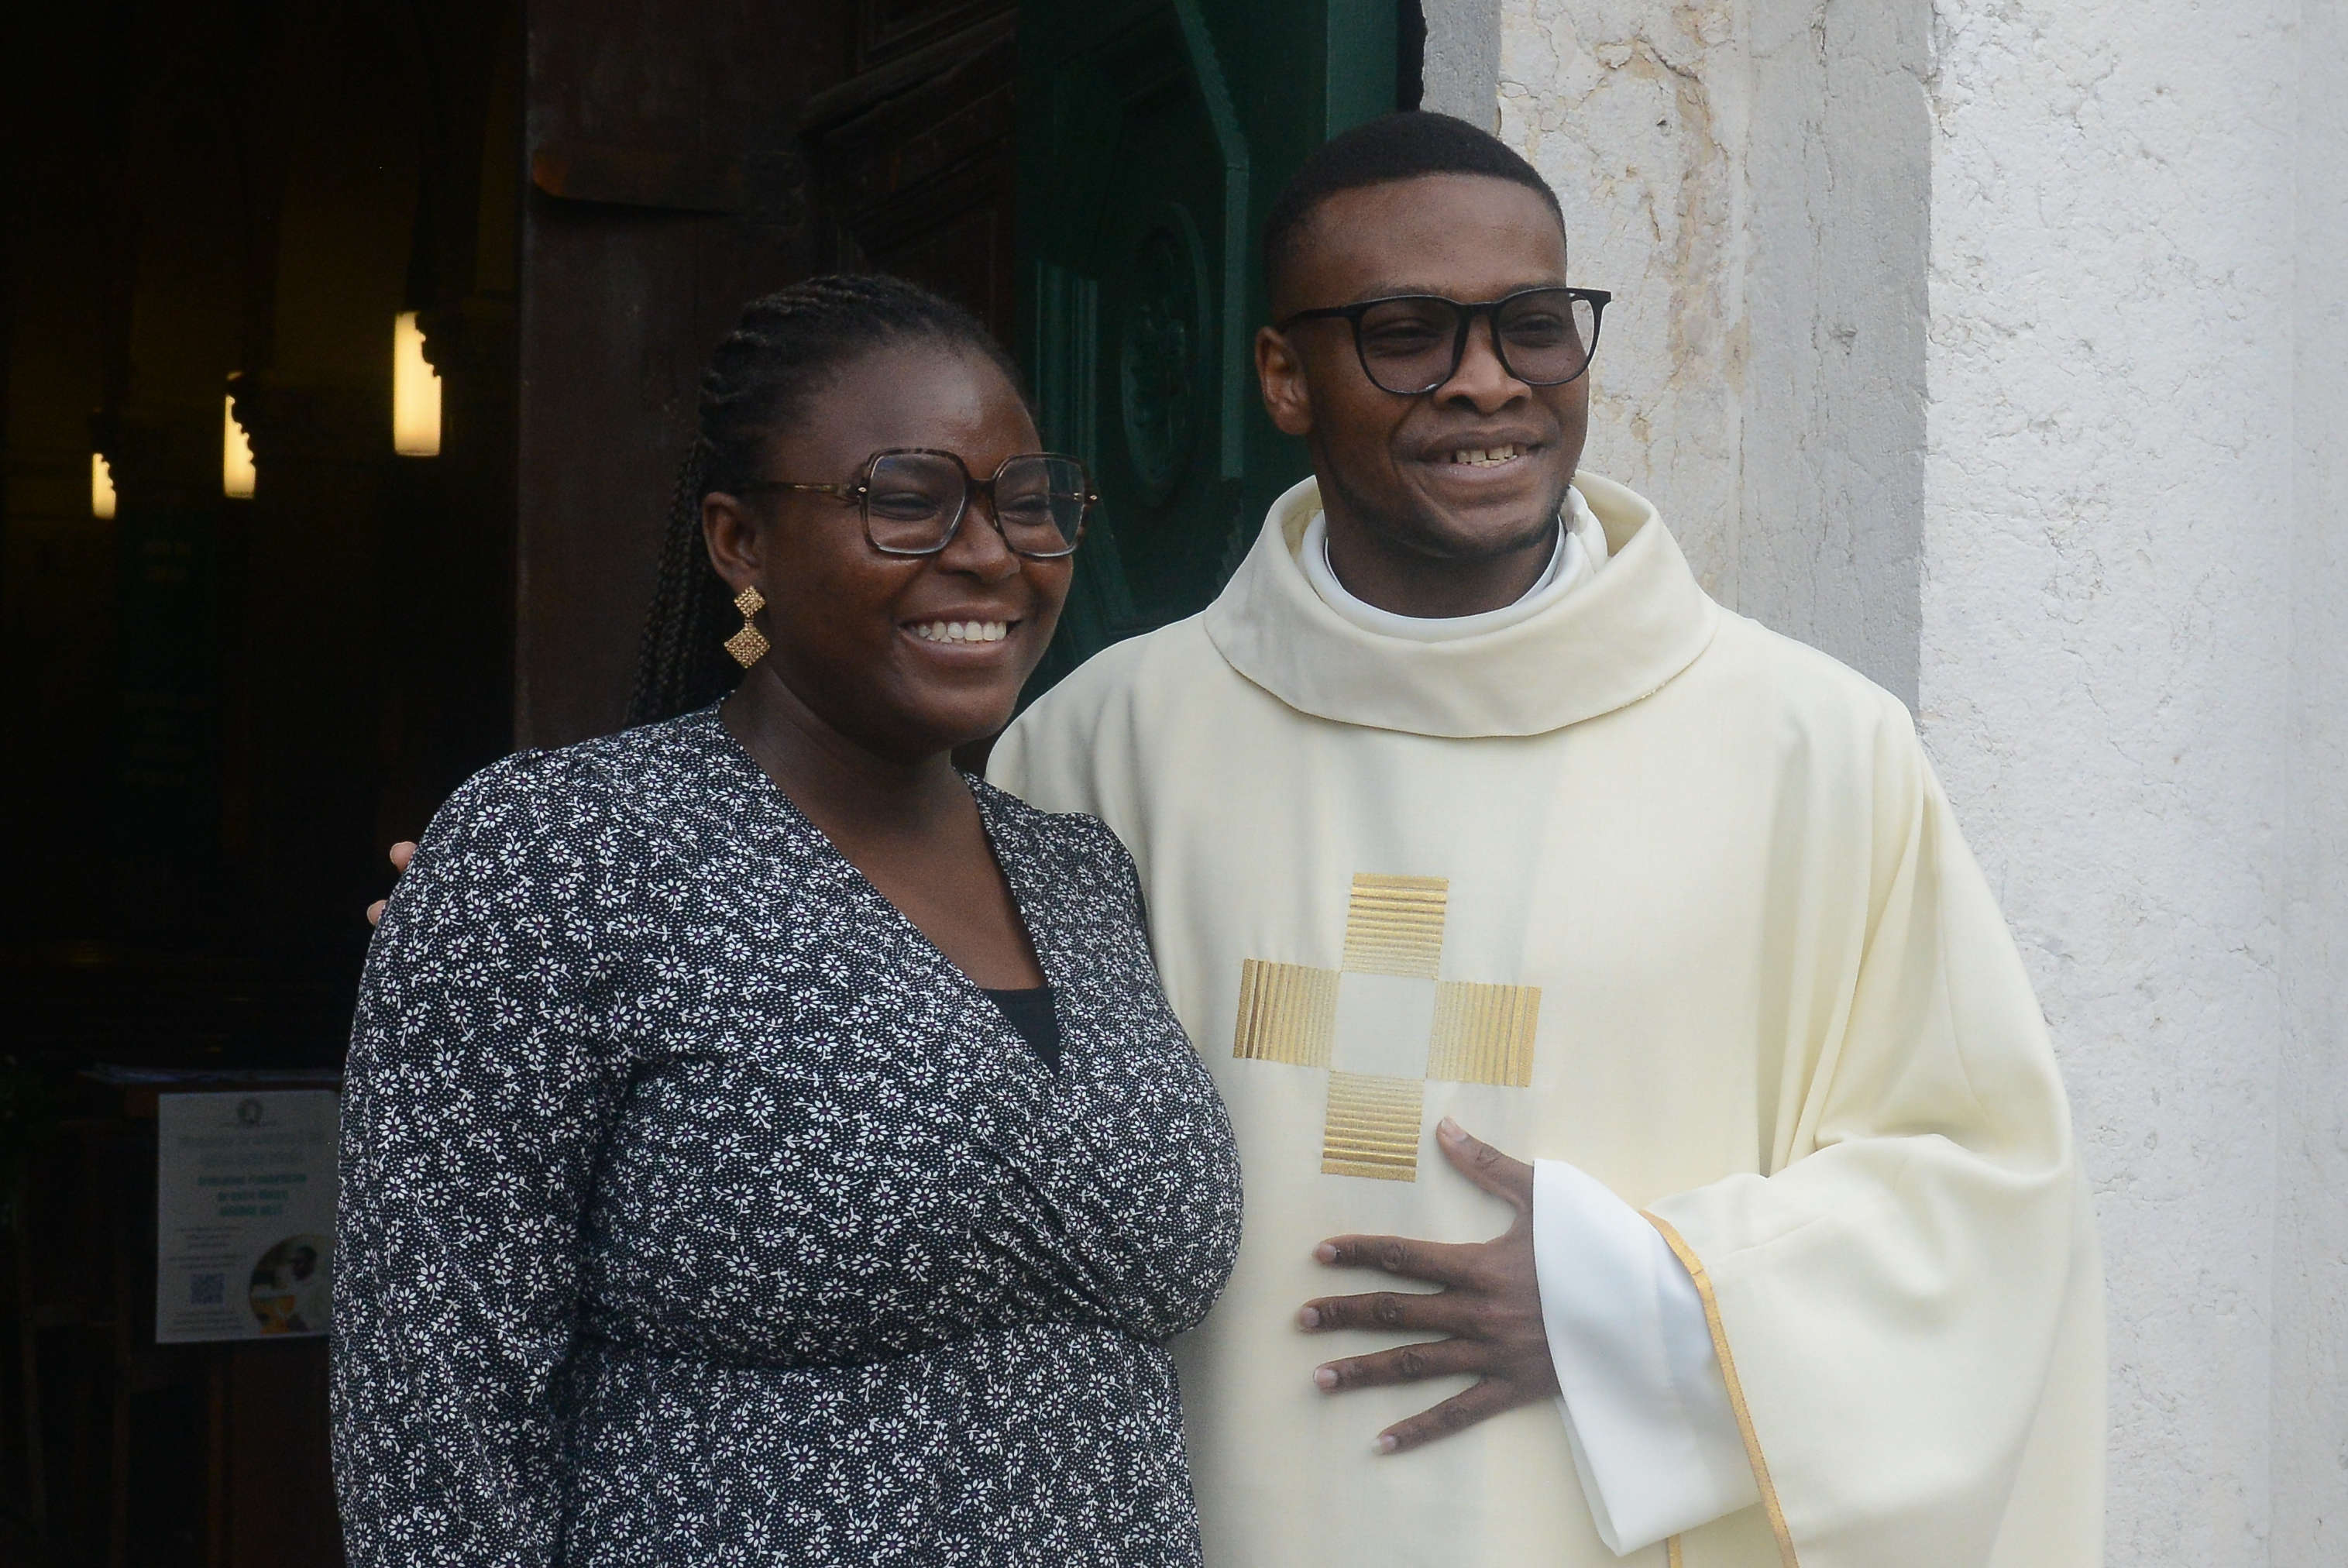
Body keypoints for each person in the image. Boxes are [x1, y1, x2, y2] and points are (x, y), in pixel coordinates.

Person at [988, 113, 2103, 1567]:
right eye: (1405, 334)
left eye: (1532, 326)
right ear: (1280, 376)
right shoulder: (1100, 751)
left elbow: (1991, 1195)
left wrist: (1640, 1302)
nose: (1485, 382)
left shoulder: (1813, 751)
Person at [332, 275, 1242, 1566]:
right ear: (738, 544)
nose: (988, 551)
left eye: (1026, 501)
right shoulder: (565, 851)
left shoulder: (1082, 877)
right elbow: (434, 1428)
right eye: (908, 499)